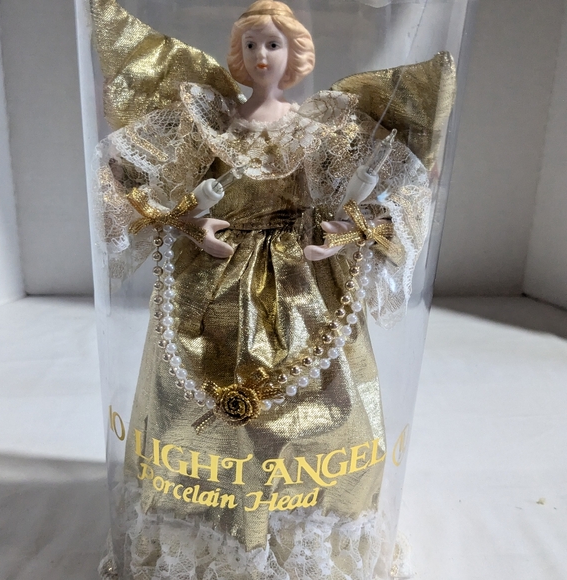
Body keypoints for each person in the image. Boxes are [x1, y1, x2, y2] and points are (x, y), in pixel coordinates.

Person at [96, 2, 432, 578]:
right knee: (189, 403)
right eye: (251, 44)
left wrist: (343, 234)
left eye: (273, 44)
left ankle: (307, 526)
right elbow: (149, 189)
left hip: (303, 284)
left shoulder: (322, 127)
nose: (261, 56)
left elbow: (392, 192)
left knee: (327, 402)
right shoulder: (209, 122)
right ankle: (198, 522)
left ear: (295, 53)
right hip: (213, 283)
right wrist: (191, 224)